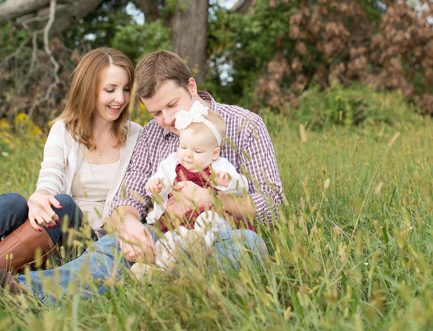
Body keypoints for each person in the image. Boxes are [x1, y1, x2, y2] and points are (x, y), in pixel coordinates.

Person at [0, 50, 283, 301]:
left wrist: (212, 200)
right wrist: (130, 225)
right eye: (156, 112)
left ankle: (160, 282)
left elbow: (273, 204)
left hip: (219, 236)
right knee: (115, 244)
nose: (168, 120)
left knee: (250, 246)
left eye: (172, 105)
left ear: (191, 87)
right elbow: (126, 198)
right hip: (164, 234)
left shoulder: (245, 125)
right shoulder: (152, 135)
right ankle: (26, 292)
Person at [0, 47, 141, 274]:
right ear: (88, 89)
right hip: (52, 232)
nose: (121, 98)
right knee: (14, 202)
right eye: (110, 90)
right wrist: (40, 196)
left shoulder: (137, 136)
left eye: (126, 89)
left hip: (93, 241)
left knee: (63, 204)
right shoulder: (64, 130)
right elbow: (51, 175)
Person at [131, 101, 250, 273]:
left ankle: (198, 245)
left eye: (197, 151)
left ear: (214, 153)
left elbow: (242, 187)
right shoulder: (172, 162)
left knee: (209, 220)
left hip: (208, 217)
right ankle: (161, 270)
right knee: (171, 237)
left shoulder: (220, 166)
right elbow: (160, 178)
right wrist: (156, 185)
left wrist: (229, 182)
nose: (187, 154)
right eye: (183, 147)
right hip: (180, 223)